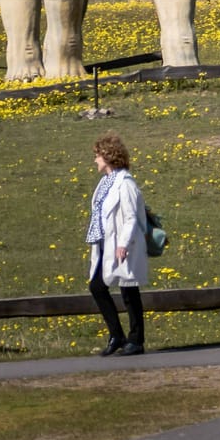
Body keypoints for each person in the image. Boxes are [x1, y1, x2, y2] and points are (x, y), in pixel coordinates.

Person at [85, 133, 148, 356]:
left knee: (129, 290)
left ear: (108, 156)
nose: (95, 160)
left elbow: (131, 216)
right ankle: (117, 335)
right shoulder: (105, 183)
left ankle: (136, 340)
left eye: (97, 155)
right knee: (97, 286)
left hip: (122, 244)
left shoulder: (125, 183)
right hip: (105, 243)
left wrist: (123, 243)